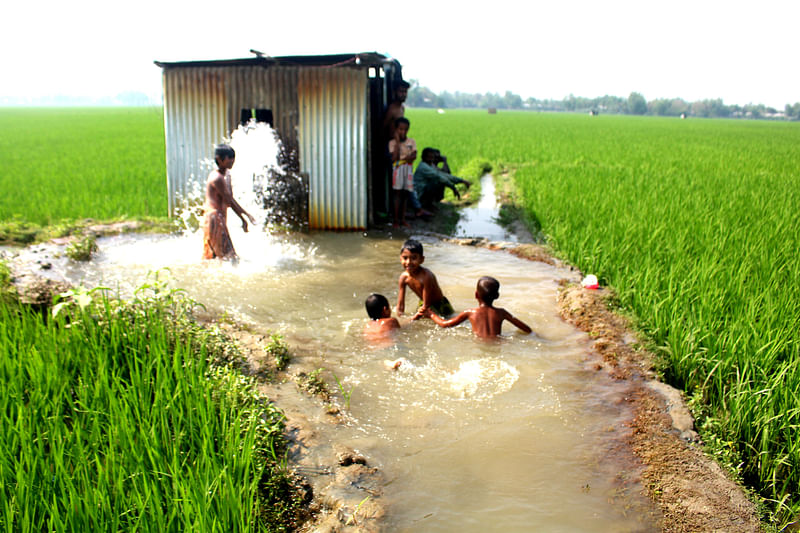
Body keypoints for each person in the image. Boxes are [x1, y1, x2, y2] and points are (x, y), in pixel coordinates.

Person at [424, 276, 532, 339]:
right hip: (498, 344)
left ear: (476, 295)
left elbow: (445, 324)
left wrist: (431, 315)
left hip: (479, 345)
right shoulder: (502, 313)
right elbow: (527, 329)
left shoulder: (470, 312)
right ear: (497, 296)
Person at [202, 144, 256, 261]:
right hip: (214, 218)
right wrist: (246, 216)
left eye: (233, 157)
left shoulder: (225, 175)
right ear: (219, 159)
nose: (232, 160)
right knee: (231, 258)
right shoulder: (217, 178)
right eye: (229, 158)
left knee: (216, 258)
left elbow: (229, 198)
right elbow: (229, 200)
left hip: (217, 218)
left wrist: (243, 218)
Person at [397, 239, 454, 318]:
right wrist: (400, 318)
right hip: (423, 302)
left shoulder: (426, 276)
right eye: (405, 258)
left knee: (447, 322)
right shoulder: (403, 278)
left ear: (422, 259)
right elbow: (400, 305)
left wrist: (412, 319)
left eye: (414, 258)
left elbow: (426, 306)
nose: (408, 262)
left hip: (440, 305)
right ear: (400, 259)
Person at [388, 118, 417, 227]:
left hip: (408, 170)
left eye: (405, 130)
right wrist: (397, 142)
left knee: (405, 194)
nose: (403, 132)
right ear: (396, 129)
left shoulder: (411, 141)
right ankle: (396, 220)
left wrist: (406, 158)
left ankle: (403, 219)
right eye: (400, 129)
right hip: (398, 170)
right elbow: (394, 158)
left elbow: (414, 156)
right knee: (397, 194)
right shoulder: (392, 143)